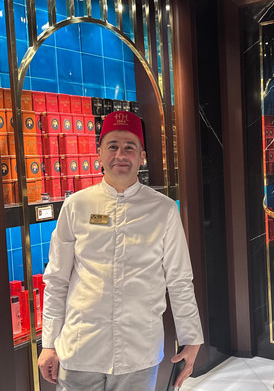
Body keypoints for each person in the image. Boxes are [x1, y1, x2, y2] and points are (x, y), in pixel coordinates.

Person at [38, 110, 204, 391]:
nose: (120, 155)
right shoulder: (76, 206)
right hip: (80, 348)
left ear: (142, 156)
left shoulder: (163, 209)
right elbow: (56, 279)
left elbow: (179, 279)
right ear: (99, 153)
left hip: (138, 353)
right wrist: (48, 343)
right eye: (112, 146)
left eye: (130, 147)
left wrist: (192, 339)